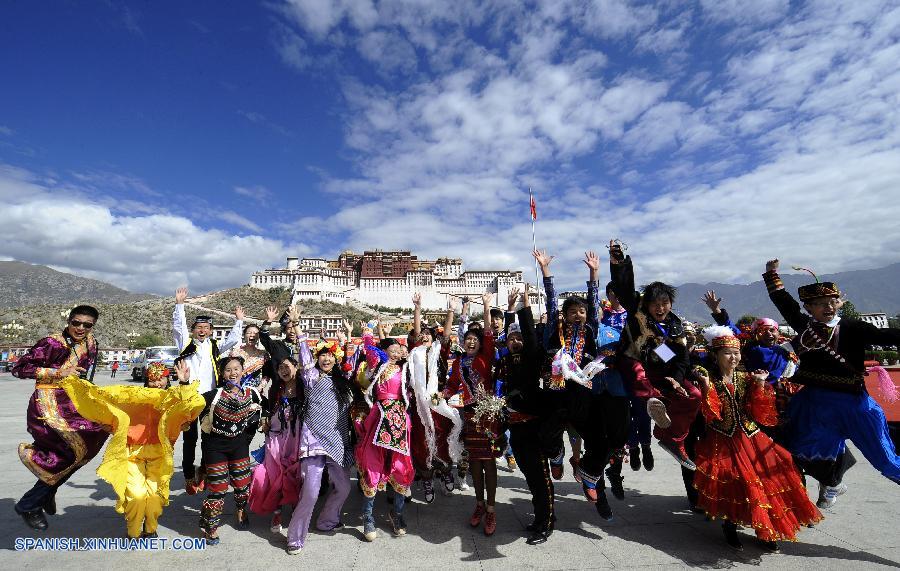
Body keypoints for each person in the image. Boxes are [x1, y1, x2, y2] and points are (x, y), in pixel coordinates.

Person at [764, 260, 900, 503]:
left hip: (853, 405)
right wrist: (771, 275)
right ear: (808, 308)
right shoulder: (805, 327)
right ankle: (832, 483)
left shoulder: (853, 327)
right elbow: (784, 303)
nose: (828, 307)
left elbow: (887, 335)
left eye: (832, 302)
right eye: (820, 304)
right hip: (814, 404)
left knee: (884, 458)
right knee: (800, 449)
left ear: (839, 303)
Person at [692, 326, 822, 552]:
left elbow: (761, 413)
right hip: (723, 439)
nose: (733, 357)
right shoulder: (709, 378)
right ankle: (730, 526)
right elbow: (711, 414)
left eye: (736, 352)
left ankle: (766, 530)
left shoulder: (746, 377)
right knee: (734, 482)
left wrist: (761, 384)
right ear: (715, 355)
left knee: (767, 479)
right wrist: (704, 386)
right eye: (727, 353)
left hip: (751, 436)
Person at [59, 360, 205, 538]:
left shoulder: (173, 398)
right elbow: (102, 398)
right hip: (132, 453)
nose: (157, 384)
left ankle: (150, 529)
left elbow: (191, 402)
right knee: (136, 496)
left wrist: (184, 383)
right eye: (153, 380)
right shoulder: (131, 395)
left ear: (168, 380)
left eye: (161, 379)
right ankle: (133, 532)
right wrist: (109, 422)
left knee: (154, 497)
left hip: (160, 453)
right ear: (146, 380)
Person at [13, 305, 110, 531]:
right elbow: (20, 368)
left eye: (87, 325)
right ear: (68, 321)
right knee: (70, 452)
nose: (81, 328)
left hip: (73, 404)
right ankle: (30, 503)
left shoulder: (91, 343)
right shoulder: (52, 343)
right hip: (46, 406)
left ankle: (47, 492)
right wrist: (57, 372)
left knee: (87, 447)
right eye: (76, 323)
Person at [609, 241, 699, 471]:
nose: (660, 308)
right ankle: (651, 400)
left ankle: (672, 438)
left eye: (665, 303)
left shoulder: (675, 327)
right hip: (632, 360)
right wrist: (619, 261)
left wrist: (677, 380)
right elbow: (624, 287)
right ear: (646, 304)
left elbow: (680, 358)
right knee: (637, 370)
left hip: (660, 368)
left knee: (694, 394)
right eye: (655, 304)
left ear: (671, 304)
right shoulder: (637, 310)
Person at [282, 322, 356, 554]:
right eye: (322, 355)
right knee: (311, 492)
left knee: (344, 487)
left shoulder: (343, 380)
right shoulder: (311, 376)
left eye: (330, 355)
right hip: (314, 439)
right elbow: (304, 358)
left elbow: (353, 363)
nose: (326, 359)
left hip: (337, 440)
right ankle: (295, 537)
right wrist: (301, 333)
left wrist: (351, 338)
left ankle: (327, 520)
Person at [498, 288, 556, 545]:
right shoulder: (508, 360)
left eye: (519, 338)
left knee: (541, 477)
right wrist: (509, 312)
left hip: (535, 428)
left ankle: (546, 523)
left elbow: (530, 337)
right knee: (530, 476)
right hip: (516, 428)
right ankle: (541, 517)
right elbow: (507, 337)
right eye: (511, 339)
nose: (515, 341)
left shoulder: (532, 357)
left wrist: (523, 306)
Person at [172, 287, 244, 489]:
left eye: (206, 327)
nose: (202, 330)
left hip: (209, 399)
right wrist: (179, 306)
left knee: (209, 438)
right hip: (189, 397)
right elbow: (179, 328)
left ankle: (203, 471)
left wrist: (238, 321)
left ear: (211, 330)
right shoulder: (185, 344)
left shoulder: (213, 346)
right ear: (194, 329)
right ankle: (188, 476)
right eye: (199, 327)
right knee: (190, 439)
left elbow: (231, 341)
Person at [444, 292, 503, 535]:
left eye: (474, 339)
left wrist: (487, 306)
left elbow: (489, 333)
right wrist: (441, 395)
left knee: (489, 463)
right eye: (467, 338)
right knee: (475, 464)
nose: (470, 341)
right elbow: (452, 384)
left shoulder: (485, 356)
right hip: (469, 414)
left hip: (488, 415)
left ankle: (491, 509)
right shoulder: (459, 363)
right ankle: (478, 505)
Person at [355, 333, 416, 541]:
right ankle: (368, 517)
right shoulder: (379, 366)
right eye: (393, 348)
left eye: (400, 349)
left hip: (398, 422)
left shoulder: (406, 370)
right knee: (373, 466)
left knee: (400, 468)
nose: (397, 351)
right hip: (379, 418)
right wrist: (370, 333)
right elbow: (371, 352)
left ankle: (397, 514)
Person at [197, 356, 263, 545]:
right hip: (215, 448)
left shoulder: (252, 394)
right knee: (218, 489)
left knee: (242, 486)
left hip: (239, 446)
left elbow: (264, 410)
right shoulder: (212, 396)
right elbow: (190, 409)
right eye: (228, 369)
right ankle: (211, 527)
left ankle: (241, 510)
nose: (233, 373)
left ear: (243, 371)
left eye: (237, 369)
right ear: (222, 373)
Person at [407, 293, 462, 503]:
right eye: (422, 335)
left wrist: (450, 311)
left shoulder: (440, 351)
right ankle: (427, 478)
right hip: (419, 403)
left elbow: (446, 335)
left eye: (429, 334)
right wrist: (418, 308)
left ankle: (446, 470)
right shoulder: (415, 352)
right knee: (422, 441)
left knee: (442, 435)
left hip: (437, 400)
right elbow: (417, 331)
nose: (425, 337)